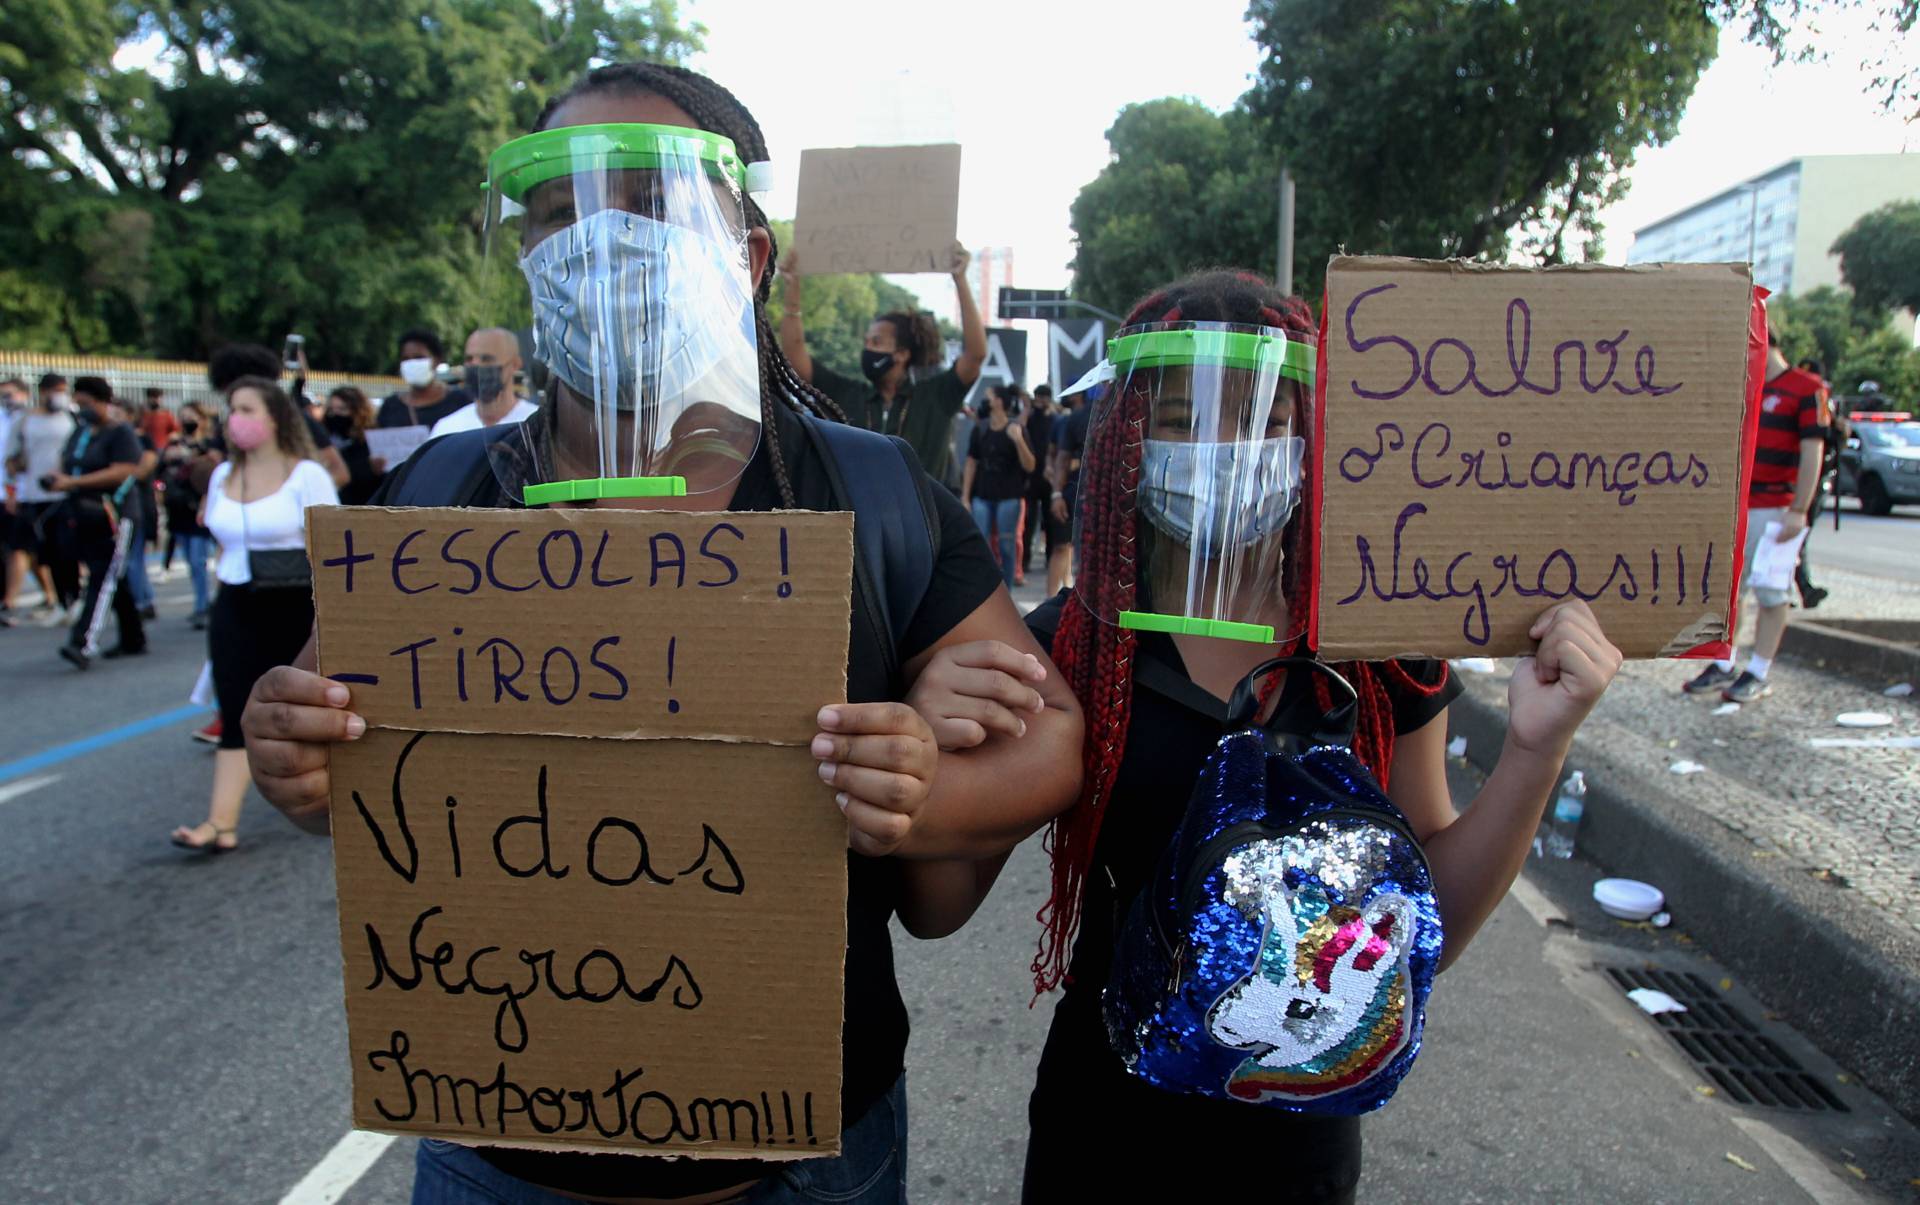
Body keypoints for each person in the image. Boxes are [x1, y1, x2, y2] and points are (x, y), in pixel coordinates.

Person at [239, 61, 1083, 1205]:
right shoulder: (441, 493)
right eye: (558, 212)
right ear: (528, 251)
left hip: (806, 1154)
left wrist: (921, 794)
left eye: (647, 203)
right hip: (498, 1155)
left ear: (746, 256)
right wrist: (293, 753)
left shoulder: (868, 490)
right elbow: (326, 718)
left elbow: (1053, 737)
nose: (597, 237)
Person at [902, 271, 1622, 1203]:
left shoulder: (1379, 651)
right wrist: (923, 757)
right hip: (1105, 1134)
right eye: (1180, 417)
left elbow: (1424, 929)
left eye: (1264, 416)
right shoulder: (1066, 650)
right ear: (1125, 437)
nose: (1224, 449)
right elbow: (939, 903)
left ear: (1312, 433)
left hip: (1297, 1151)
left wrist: (1536, 748)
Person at [171, 378, 339, 852]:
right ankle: (220, 823)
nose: (235, 419)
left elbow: (333, 546)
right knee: (234, 708)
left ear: (274, 418)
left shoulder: (307, 474)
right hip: (237, 602)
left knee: (306, 707)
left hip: (295, 602)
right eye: (231, 409)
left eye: (246, 408)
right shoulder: (224, 474)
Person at [1682, 330, 1826, 703]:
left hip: (1778, 506)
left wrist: (1798, 508)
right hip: (1739, 503)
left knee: (1771, 590)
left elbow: (1814, 450)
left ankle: (1759, 670)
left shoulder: (1805, 388)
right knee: (1732, 590)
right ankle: (1725, 662)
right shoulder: (1746, 387)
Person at [778, 246, 988, 486]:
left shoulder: (935, 396)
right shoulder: (850, 395)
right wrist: (792, 290)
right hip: (860, 519)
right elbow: (796, 358)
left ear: (901, 354)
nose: (867, 349)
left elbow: (975, 355)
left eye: (876, 342)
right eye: (866, 342)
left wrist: (960, 280)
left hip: (920, 519)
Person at [47, 377, 146, 667]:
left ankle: (83, 641)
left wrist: (74, 481)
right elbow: (66, 462)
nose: (81, 407)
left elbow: (124, 471)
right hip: (82, 514)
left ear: (102, 401)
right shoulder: (81, 432)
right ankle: (133, 636)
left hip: (114, 515)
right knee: (113, 575)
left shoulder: (120, 433)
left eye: (86, 402)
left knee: (102, 579)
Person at [207, 343, 353, 490]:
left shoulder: (298, 421)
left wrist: (292, 496)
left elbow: (339, 473)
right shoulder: (230, 429)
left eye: (246, 409)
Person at [5, 374, 79, 624]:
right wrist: (14, 488)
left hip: (67, 493)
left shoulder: (72, 419)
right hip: (36, 496)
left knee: (67, 548)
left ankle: (75, 599)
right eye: (54, 390)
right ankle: (60, 602)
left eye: (62, 390)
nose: (58, 395)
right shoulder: (26, 421)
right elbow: (12, 459)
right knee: (48, 552)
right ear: (43, 391)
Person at [962, 383, 1036, 589]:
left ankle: (1008, 589)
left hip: (1009, 496)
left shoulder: (1016, 428)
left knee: (1006, 545)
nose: (985, 401)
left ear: (999, 402)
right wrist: (966, 496)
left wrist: (1019, 441)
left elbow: (1030, 465)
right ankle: (983, 590)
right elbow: (971, 462)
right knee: (980, 544)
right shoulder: (981, 429)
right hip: (983, 494)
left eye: (988, 396)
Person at [160, 401, 220, 625]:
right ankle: (201, 601)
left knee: (198, 560)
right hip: (178, 510)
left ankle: (202, 606)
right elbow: (161, 470)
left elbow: (213, 473)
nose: (187, 422)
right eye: (183, 417)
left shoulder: (209, 446)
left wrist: (196, 458)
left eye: (191, 417)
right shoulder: (173, 444)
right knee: (191, 562)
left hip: (198, 509)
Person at [427, 327, 537, 437]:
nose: (475, 365)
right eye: (469, 359)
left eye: (486, 359)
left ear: (515, 364)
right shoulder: (447, 429)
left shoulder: (537, 424)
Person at [374, 328, 470, 431]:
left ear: (437, 360)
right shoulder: (390, 406)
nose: (412, 363)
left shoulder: (461, 401)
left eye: (419, 357)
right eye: (405, 359)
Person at [1020, 383, 1059, 582]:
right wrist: (1027, 408)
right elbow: (1019, 428)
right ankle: (1025, 560)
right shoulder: (1030, 417)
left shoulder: (1055, 419)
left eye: (1043, 397)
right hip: (1031, 478)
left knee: (1050, 521)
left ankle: (1050, 559)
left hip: (1048, 478)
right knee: (1028, 521)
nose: (1040, 401)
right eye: (1038, 396)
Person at [322, 386, 382, 505]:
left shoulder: (371, 443)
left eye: (342, 409)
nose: (335, 414)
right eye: (331, 410)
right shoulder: (325, 443)